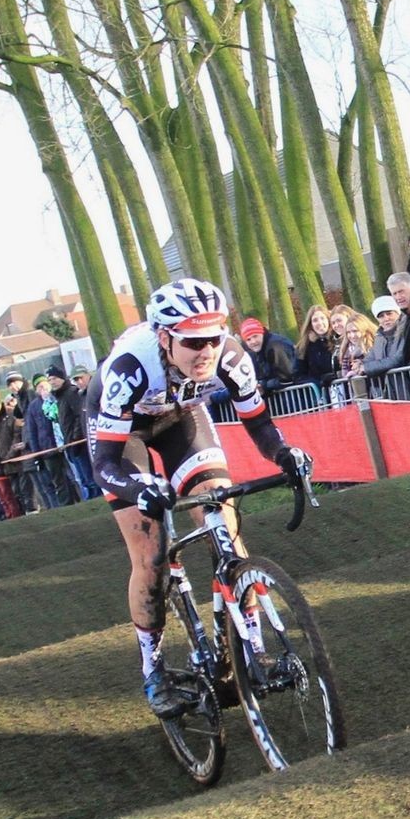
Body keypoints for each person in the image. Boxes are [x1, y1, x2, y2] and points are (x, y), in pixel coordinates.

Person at [85, 278, 311, 717]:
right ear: (165, 337)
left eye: (213, 336)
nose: (206, 350)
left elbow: (260, 425)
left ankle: (253, 649)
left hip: (182, 421)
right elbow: (106, 466)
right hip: (122, 436)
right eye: (193, 341)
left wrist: (284, 453)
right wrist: (140, 487)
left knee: (224, 529)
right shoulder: (130, 367)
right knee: (150, 556)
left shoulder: (230, 354)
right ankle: (153, 669)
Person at [23, 373, 75, 508]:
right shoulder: (33, 407)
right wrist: (37, 454)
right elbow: (32, 431)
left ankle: (80, 498)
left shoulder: (57, 398)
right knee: (58, 480)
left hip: (64, 444)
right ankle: (66, 505)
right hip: (47, 449)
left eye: (44, 385)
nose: (43, 389)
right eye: (39, 387)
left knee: (73, 475)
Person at [50, 364, 98, 500]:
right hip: (71, 444)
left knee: (90, 479)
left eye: (54, 378)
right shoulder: (60, 397)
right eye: (50, 380)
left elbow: (79, 417)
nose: (52, 382)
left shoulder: (71, 393)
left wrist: (75, 440)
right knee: (83, 480)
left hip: (80, 444)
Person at [239, 318, 296, 396]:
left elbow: (288, 377)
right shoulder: (258, 351)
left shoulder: (275, 346)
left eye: (255, 336)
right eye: (248, 339)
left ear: (262, 333)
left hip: (294, 395)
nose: (253, 341)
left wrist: (264, 385)